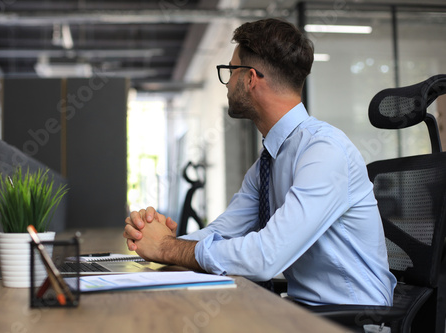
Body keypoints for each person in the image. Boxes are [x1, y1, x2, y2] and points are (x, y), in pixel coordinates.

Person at [123, 18, 396, 306]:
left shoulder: (324, 151)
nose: (227, 83)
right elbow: (223, 232)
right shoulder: (268, 163)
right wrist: (156, 237)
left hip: (353, 318)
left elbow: (266, 256)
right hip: (303, 311)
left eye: (230, 72)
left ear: (250, 78)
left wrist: (167, 248)